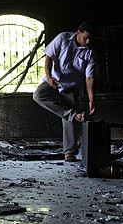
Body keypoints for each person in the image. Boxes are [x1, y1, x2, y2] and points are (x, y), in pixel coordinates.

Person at [33, 20, 97, 162]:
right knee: (38, 95)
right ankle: (72, 115)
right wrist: (49, 78)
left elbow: (89, 77)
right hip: (54, 82)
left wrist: (92, 99)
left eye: (90, 39)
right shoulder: (62, 38)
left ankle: (69, 152)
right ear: (78, 32)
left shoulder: (90, 52)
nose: (87, 41)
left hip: (71, 87)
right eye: (85, 37)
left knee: (70, 116)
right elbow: (48, 57)